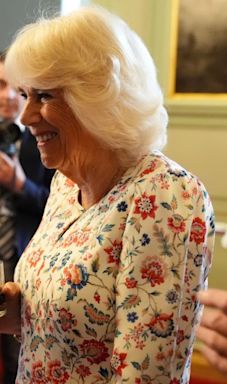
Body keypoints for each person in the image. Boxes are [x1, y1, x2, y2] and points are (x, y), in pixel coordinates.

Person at [0, 6, 215, 383]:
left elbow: (146, 374)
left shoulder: (166, 195)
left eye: (44, 96)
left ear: (97, 97)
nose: (27, 115)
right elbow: (71, 325)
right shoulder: (67, 183)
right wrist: (15, 307)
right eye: (25, 95)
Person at [0, 50, 54, 384]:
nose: (7, 96)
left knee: (14, 354)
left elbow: (59, 206)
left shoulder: (45, 137)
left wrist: (18, 183)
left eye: (18, 89)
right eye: (1, 84)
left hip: (21, 259)